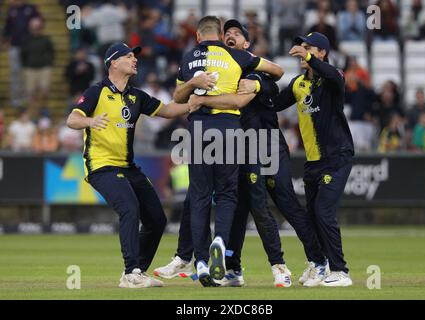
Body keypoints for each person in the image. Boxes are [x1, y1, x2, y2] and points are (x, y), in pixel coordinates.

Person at [66, 42, 192, 289]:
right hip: (101, 166)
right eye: (128, 56)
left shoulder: (136, 95)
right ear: (113, 62)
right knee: (130, 208)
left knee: (156, 219)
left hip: (128, 167)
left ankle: (136, 273)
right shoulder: (96, 92)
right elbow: (72, 119)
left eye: (135, 56)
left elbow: (166, 110)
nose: (135, 59)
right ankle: (131, 271)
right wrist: (91, 121)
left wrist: (194, 104)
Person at [172, 16, 284, 287]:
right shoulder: (239, 56)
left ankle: (200, 260)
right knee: (227, 194)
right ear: (221, 34)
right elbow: (278, 71)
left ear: (198, 36)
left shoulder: (188, 58)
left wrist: (194, 85)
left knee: (199, 196)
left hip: (198, 129)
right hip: (229, 127)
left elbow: (177, 98)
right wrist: (256, 83)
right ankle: (221, 240)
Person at [272, 32, 354, 287]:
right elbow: (273, 103)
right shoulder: (298, 84)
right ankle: (322, 266)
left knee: (323, 211)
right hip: (313, 161)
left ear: (322, 53)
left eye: (309, 48)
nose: (302, 51)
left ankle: (341, 271)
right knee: (313, 214)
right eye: (302, 46)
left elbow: (330, 75)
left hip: (336, 156)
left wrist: (306, 55)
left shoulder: (334, 77)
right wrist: (254, 85)